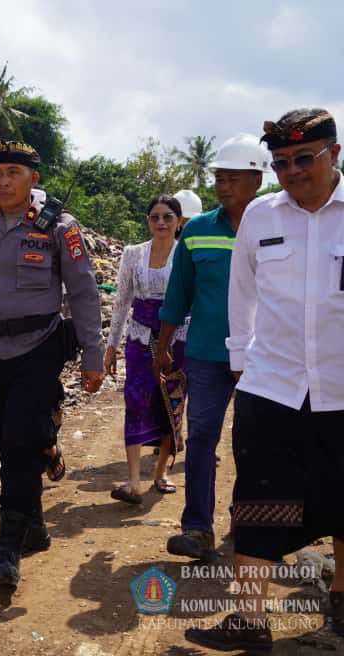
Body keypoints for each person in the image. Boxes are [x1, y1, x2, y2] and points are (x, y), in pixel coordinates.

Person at [186, 108, 344, 652]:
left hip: (343, 390)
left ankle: (341, 605)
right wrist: (242, 362)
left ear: (335, 155)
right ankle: (250, 620)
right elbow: (242, 296)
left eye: (306, 159)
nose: (293, 171)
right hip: (271, 387)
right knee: (258, 502)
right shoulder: (260, 216)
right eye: (281, 163)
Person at [0, 139, 104, 587]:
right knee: (0, 434)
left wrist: (93, 356)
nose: (3, 182)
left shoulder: (59, 227)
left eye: (13, 173)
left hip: (39, 346)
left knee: (18, 442)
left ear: (34, 179)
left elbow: (84, 293)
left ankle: (7, 548)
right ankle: (32, 524)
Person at [154, 133, 267, 561]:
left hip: (264, 358)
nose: (222, 185)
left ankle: (248, 519)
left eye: (232, 178)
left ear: (257, 180)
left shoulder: (276, 226)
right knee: (202, 438)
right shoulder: (198, 231)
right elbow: (177, 295)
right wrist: (162, 349)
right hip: (204, 353)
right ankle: (197, 528)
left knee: (254, 442)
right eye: (218, 177)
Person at [104, 195, 187, 505]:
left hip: (178, 337)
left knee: (170, 402)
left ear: (179, 221)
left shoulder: (186, 255)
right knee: (136, 399)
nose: (161, 222)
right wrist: (111, 345)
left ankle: (161, 472)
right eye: (155, 217)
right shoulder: (133, 254)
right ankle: (134, 479)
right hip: (140, 339)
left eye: (168, 217)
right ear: (148, 221)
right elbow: (122, 300)